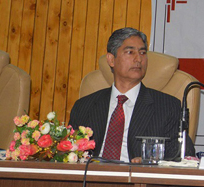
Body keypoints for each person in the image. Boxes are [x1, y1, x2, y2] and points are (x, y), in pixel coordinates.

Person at [68, 27, 194, 163]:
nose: (138, 59)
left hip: (138, 180)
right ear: (111, 60)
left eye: (142, 52)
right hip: (91, 178)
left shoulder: (167, 106)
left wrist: (151, 161)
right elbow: (68, 152)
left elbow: (185, 155)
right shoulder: (84, 106)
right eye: (130, 52)